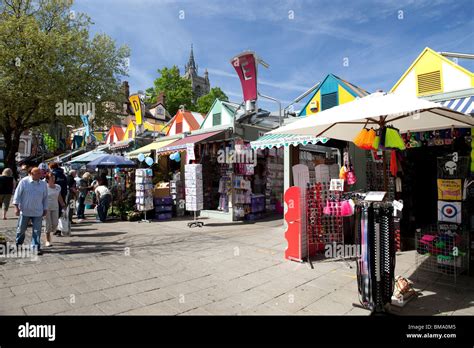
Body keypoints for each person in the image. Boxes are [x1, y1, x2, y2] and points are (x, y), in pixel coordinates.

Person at [13, 167, 48, 255]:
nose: (40, 175)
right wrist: (16, 207)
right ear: (31, 174)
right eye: (38, 174)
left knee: (37, 230)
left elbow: (45, 197)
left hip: (38, 211)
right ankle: (18, 244)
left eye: (40, 173)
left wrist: (45, 208)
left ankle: (35, 247)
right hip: (25, 210)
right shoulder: (24, 182)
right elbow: (17, 195)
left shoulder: (43, 184)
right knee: (21, 229)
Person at [44, 173, 65, 247]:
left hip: (55, 207)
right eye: (51, 178)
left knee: (55, 224)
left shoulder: (58, 187)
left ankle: (51, 232)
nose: (53, 179)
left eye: (54, 178)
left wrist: (63, 204)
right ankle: (47, 240)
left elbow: (59, 196)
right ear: (47, 179)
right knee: (48, 224)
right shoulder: (44, 187)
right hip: (46, 208)